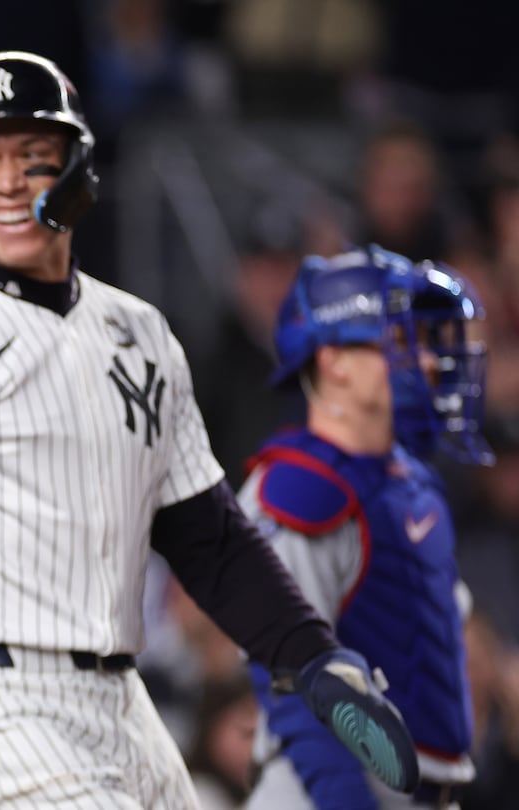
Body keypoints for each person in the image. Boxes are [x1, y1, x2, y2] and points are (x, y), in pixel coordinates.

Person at [0, 50, 418, 809]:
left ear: (80, 168)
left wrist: (312, 654)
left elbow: (206, 536)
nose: (7, 183)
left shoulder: (139, 331)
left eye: (32, 158)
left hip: (122, 700)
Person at [239, 248, 491, 810]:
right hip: (329, 789)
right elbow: (291, 680)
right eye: (401, 343)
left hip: (425, 790)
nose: (427, 362)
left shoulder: (411, 480)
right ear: (334, 361)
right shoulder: (297, 488)